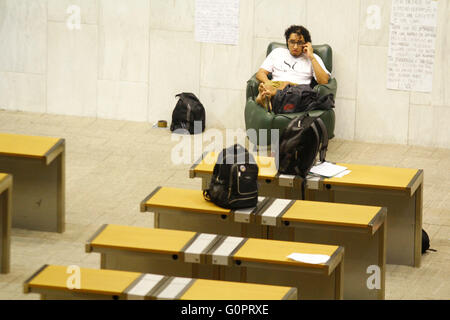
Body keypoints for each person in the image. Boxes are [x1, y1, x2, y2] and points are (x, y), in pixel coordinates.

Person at [255, 25, 331, 110]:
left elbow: (324, 81)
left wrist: (311, 57)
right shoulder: (277, 53)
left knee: (301, 92)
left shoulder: (313, 57)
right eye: (292, 42)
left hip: (298, 91)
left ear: (306, 44)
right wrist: (269, 84)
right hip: (277, 85)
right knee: (267, 84)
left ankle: (268, 97)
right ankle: (271, 95)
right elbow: (260, 74)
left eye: (299, 43)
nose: (295, 46)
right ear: (287, 41)